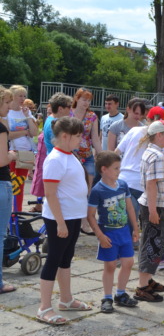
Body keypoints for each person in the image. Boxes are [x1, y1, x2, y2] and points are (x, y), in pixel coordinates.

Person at [37, 117, 93, 325]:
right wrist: (60, 222)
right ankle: (44, 307)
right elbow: (50, 194)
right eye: (77, 136)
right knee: (53, 259)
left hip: (72, 216)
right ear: (64, 136)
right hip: (60, 218)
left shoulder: (70, 155)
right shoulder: (55, 159)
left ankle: (66, 299)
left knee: (66, 258)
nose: (81, 140)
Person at [87, 151, 140, 313]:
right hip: (108, 234)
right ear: (104, 169)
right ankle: (107, 297)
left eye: (119, 167)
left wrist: (135, 228)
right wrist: (100, 235)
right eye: (116, 168)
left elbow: (130, 207)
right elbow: (90, 215)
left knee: (128, 263)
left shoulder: (122, 185)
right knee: (110, 266)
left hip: (124, 232)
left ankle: (121, 294)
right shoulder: (97, 190)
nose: (119, 171)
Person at [135, 120, 164, 302]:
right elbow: (151, 184)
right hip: (156, 206)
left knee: (154, 244)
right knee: (152, 245)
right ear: (159, 135)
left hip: (156, 205)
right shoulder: (157, 156)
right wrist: (153, 211)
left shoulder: (153, 152)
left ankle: (148, 279)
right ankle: (143, 286)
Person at [6, 85, 38, 211]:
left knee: (20, 184)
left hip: (25, 152)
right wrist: (25, 132)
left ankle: (17, 212)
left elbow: (34, 132)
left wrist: (28, 116)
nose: (23, 98)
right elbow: (7, 135)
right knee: (10, 184)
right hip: (11, 152)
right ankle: (8, 212)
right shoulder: (7, 112)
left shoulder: (26, 111)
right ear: (12, 96)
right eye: (20, 95)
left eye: (24, 96)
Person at [0, 87, 18, 294]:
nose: (9, 106)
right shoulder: (1, 128)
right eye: (6, 103)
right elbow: (1, 160)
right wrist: (12, 155)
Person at [71, 88, 102, 190]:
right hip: (71, 155)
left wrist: (102, 155)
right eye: (84, 100)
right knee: (73, 185)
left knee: (88, 187)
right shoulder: (68, 113)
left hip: (87, 155)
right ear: (77, 98)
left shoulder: (92, 116)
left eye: (89, 101)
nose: (86, 103)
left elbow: (95, 139)